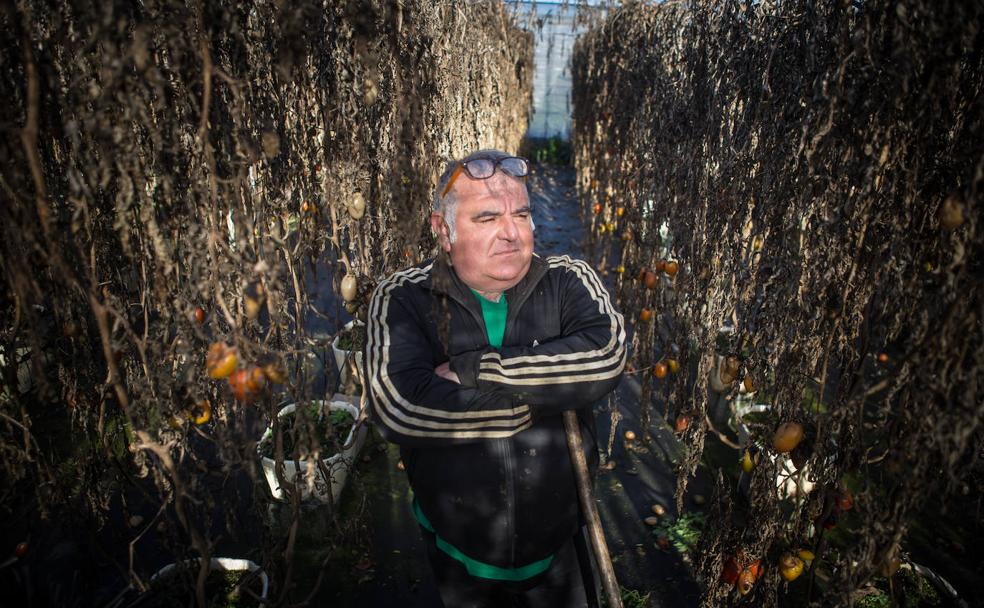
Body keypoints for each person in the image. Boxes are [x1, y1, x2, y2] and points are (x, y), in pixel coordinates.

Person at [365, 149, 626, 607]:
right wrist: (534, 399)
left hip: (558, 539)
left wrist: (478, 370)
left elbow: (605, 356)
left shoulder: (567, 280)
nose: (511, 233)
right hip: (457, 544)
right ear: (442, 230)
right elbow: (399, 407)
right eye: (486, 218)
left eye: (521, 214)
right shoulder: (404, 298)